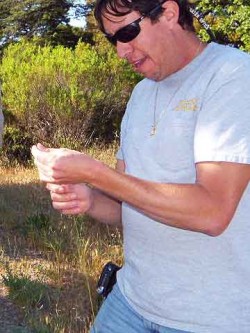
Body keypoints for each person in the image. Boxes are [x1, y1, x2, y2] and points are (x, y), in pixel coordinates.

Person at [31, 0, 250, 332]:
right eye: (112, 39)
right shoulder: (141, 94)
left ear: (170, 13)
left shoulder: (233, 76)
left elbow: (212, 212)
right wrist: (89, 198)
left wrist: (93, 172)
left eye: (128, 32)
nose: (121, 50)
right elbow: (128, 207)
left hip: (208, 318)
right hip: (131, 299)